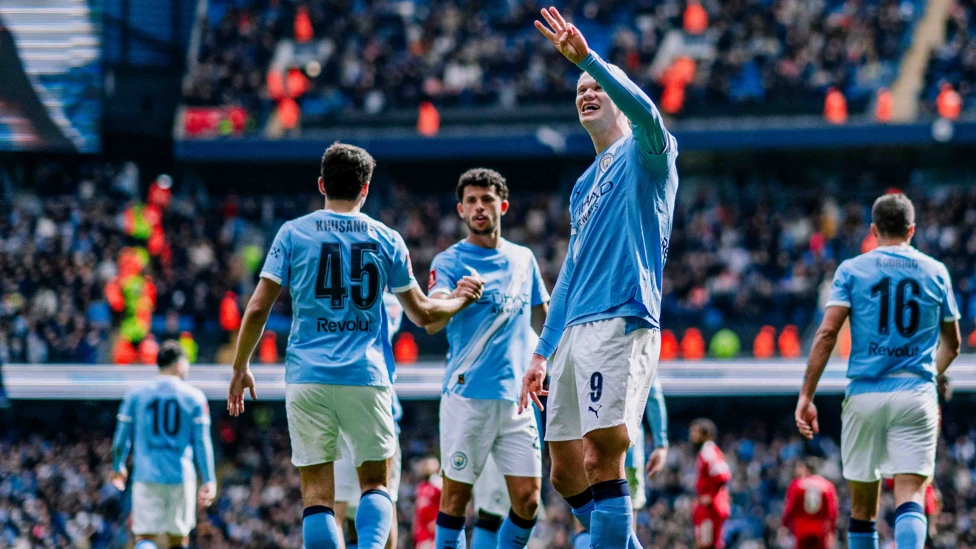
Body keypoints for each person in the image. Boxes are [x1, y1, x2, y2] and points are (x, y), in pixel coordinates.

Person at [226, 143, 484, 549]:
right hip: (366, 376)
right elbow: (423, 315)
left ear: (321, 184)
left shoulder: (293, 232)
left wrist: (240, 367)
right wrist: (460, 299)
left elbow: (258, 307)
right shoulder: (387, 238)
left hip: (307, 377)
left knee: (317, 497)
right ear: (366, 189)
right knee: (376, 485)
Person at [519, 6, 679, 549]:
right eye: (580, 88)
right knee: (565, 471)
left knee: (601, 455)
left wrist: (588, 58)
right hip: (572, 333)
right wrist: (541, 352)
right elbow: (571, 270)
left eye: (597, 87)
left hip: (622, 320)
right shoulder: (582, 185)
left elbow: (646, 110)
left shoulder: (648, 151)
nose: (587, 92)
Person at [795, 193, 962, 549]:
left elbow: (826, 334)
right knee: (911, 495)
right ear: (912, 230)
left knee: (862, 506)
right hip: (916, 394)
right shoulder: (936, 271)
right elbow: (953, 343)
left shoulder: (852, 270)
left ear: (873, 229)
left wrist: (806, 395)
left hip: (864, 394)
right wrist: (929, 372)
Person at [427, 168, 549, 549]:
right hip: (468, 397)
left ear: (503, 206)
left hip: (518, 400)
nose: (480, 207)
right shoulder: (449, 261)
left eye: (487, 200)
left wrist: (555, 359)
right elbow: (432, 317)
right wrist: (459, 296)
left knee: (528, 500)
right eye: (472, 201)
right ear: (461, 210)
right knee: (456, 501)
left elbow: (543, 317)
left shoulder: (523, 259)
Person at [110, 340, 217, 549]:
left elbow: (122, 437)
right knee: (178, 539)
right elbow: (202, 442)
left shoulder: (136, 395)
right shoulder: (195, 398)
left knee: (144, 537)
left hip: (146, 476)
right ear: (178, 364)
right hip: (181, 477)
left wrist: (118, 466)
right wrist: (209, 479)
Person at [334, 293, 406, 549]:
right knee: (381, 501)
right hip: (378, 408)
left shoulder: (348, 295)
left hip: (346, 406)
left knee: (338, 509)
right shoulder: (392, 301)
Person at [573, 378, 669, 549]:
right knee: (626, 524)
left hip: (590, 448)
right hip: (626, 449)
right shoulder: (638, 352)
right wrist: (661, 443)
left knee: (585, 522)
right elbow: (653, 394)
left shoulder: (588, 352)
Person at [691, 419, 731, 549]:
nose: (691, 436)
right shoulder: (705, 451)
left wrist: (710, 494)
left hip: (712, 508)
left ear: (705, 434)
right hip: (708, 507)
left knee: (708, 544)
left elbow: (723, 474)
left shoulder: (709, 450)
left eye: (695, 432)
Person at [782, 458, 839, 549]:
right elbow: (832, 512)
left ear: (806, 469)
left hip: (801, 528)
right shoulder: (827, 486)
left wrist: (784, 526)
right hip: (820, 529)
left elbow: (789, 509)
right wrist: (832, 530)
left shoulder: (796, 484)